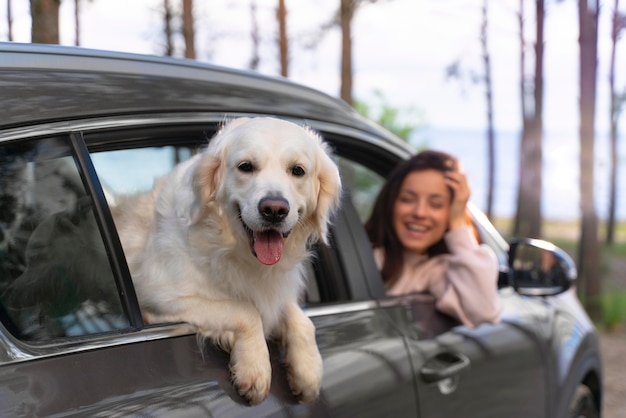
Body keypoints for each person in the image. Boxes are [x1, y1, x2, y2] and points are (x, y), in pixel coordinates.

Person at [364, 150, 501, 328]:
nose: (420, 213)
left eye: (436, 204)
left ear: (451, 213)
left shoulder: (439, 271)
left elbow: (483, 313)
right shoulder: (361, 253)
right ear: (390, 203)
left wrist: (459, 221)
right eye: (407, 199)